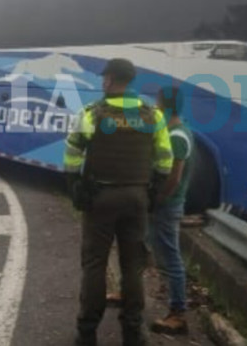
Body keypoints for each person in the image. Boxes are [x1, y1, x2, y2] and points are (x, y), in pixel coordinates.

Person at [64, 58, 173, 346]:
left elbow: (72, 152)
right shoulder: (153, 116)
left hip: (100, 198)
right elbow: (165, 160)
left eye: (104, 78)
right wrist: (153, 191)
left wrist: (74, 186)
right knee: (133, 266)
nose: (103, 82)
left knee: (95, 264)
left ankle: (87, 333)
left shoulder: (92, 113)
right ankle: (133, 333)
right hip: (136, 198)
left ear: (110, 80)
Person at [147, 86, 194, 335]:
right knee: (143, 247)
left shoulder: (177, 135)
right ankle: (127, 290)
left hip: (167, 206)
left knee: (171, 258)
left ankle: (178, 314)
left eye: (158, 100)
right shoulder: (174, 130)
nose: (155, 105)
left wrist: (156, 200)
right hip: (164, 204)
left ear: (166, 104)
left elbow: (173, 179)